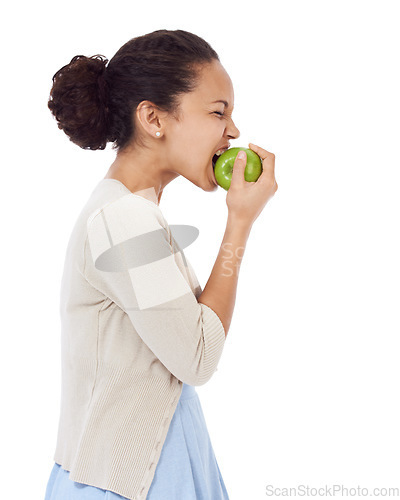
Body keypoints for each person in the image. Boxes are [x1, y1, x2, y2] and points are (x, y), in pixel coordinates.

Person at [44, 29, 278, 500]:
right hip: (128, 485)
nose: (232, 132)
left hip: (152, 468)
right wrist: (239, 224)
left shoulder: (130, 210)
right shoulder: (124, 219)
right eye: (218, 112)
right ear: (153, 117)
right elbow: (197, 357)